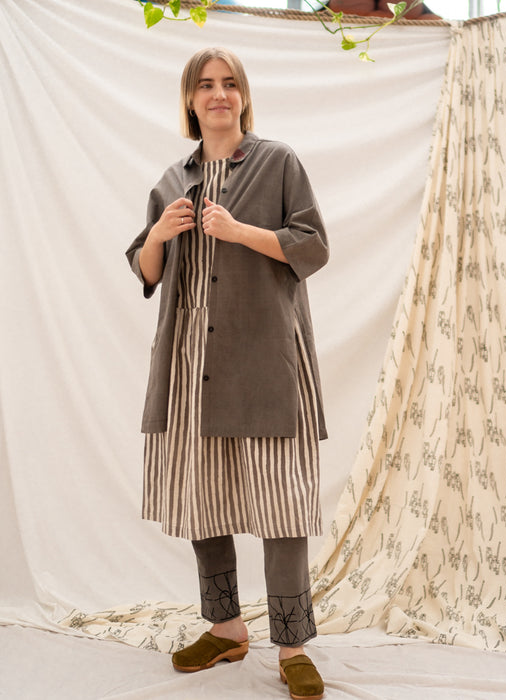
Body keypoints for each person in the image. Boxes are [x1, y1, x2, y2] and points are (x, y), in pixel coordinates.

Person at [125, 47, 329, 700]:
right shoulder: (172, 179)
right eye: (206, 85)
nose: (219, 94)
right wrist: (158, 234)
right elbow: (147, 271)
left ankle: (292, 645)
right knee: (202, 498)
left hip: (265, 359)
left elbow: (313, 247)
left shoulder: (277, 162)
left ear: (243, 96)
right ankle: (226, 627)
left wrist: (240, 232)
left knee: (281, 503)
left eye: (230, 83)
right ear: (190, 100)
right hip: (192, 367)